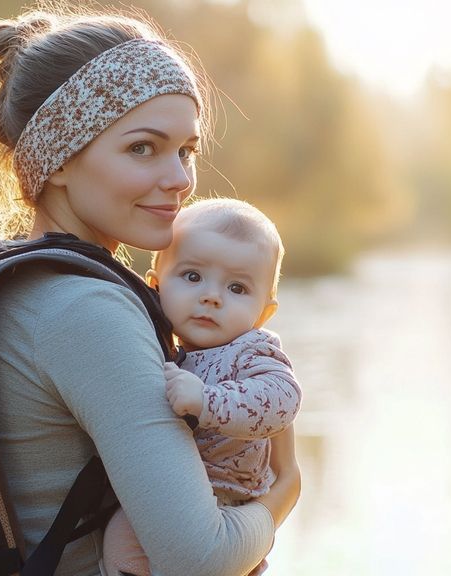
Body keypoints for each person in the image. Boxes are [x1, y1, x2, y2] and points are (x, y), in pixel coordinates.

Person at [0, 5, 300, 576]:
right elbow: (199, 559)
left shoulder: (19, 275)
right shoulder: (85, 310)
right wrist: (284, 491)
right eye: (143, 148)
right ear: (58, 159)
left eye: (185, 151)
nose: (181, 179)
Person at [102, 198, 301, 576]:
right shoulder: (159, 347)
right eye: (192, 276)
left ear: (264, 312)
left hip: (228, 500)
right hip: (174, 493)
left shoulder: (251, 349)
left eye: (237, 288)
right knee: (121, 539)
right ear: (156, 286)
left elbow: (283, 398)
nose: (212, 296)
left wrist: (209, 402)